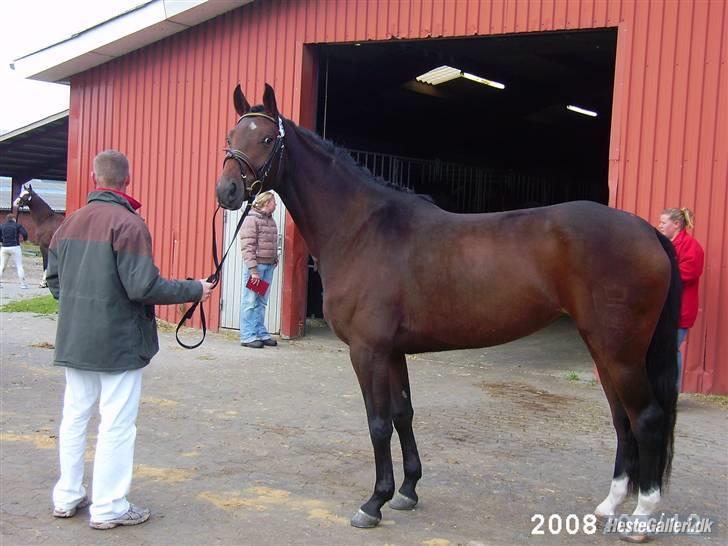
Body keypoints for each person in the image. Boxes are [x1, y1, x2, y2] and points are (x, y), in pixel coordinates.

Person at [46, 150, 213, 530]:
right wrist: (194, 289)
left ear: (93, 177)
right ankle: (108, 507)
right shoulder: (129, 225)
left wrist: (79, 308)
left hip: (74, 340)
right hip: (119, 342)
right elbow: (143, 286)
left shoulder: (68, 224)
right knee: (116, 425)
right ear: (128, 180)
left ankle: (67, 495)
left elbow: (55, 281)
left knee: (74, 418)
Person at [658, 207, 705, 391]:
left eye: (663, 222)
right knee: (661, 351)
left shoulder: (691, 247)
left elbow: (686, 274)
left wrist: (658, 273)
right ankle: (660, 390)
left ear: (676, 224)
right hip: (663, 309)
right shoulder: (663, 244)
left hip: (680, 310)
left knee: (670, 351)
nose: (659, 226)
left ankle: (672, 393)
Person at [239, 191, 279, 348]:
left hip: (268, 266)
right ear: (266, 203)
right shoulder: (251, 219)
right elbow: (248, 247)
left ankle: (260, 332)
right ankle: (247, 336)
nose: (275, 205)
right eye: (273, 202)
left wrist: (274, 258)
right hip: (256, 268)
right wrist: (253, 271)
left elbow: (271, 242)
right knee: (250, 300)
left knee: (261, 302)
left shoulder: (270, 220)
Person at [0, 214, 29, 289]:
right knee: (19, 266)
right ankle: (23, 284)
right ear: (13, 219)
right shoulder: (17, 225)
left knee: (2, 266)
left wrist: (2, 241)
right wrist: (25, 240)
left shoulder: (2, 226)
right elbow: (25, 233)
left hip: (4, 247)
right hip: (15, 247)